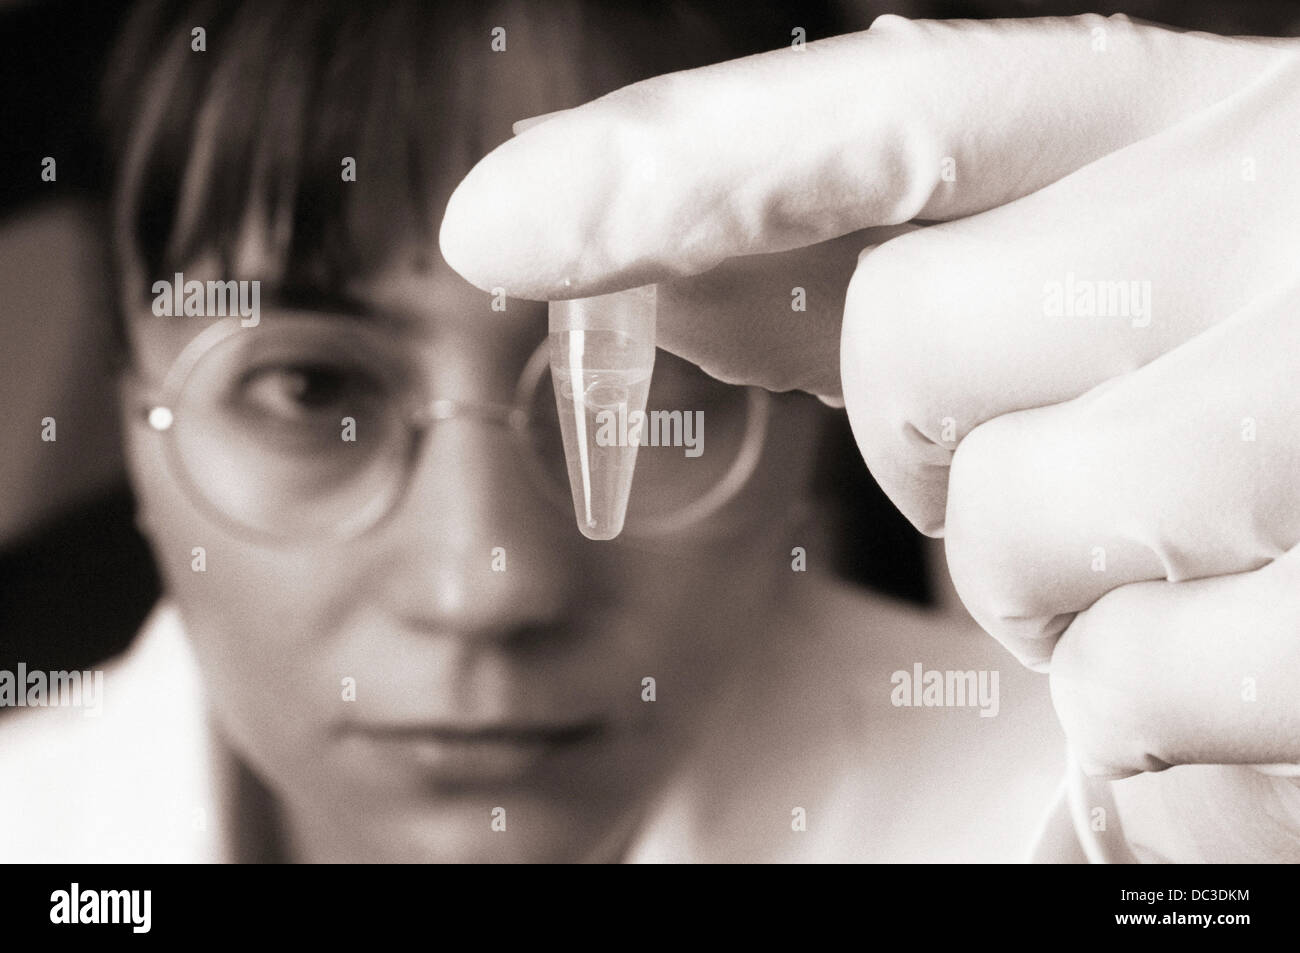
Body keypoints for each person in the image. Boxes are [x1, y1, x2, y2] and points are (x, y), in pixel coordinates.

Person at [0, 0, 1063, 863]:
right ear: (125, 400)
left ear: (812, 401)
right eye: (311, 388)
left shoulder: (1097, 819)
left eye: (646, 384)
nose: (487, 587)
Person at [440, 11, 1300, 862]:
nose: (487, 588)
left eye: (679, 386)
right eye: (313, 388)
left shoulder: (1062, 775)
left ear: (805, 441)